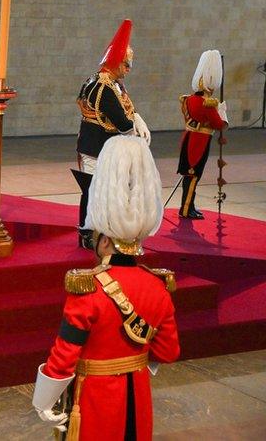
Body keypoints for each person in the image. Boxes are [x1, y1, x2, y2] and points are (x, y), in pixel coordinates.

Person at [32, 135, 179, 441]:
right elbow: (168, 352)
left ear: (105, 239)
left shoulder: (89, 288)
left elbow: (64, 354)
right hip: (137, 396)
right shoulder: (158, 285)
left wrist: (43, 400)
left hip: (95, 400)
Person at [74, 20, 151, 249]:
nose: (128, 70)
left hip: (100, 146)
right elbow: (122, 123)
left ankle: (97, 231)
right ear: (117, 63)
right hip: (95, 147)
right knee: (92, 191)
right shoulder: (105, 87)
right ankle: (87, 234)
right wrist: (134, 124)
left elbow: (127, 107)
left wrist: (136, 116)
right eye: (126, 65)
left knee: (99, 191)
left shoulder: (107, 81)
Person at [177, 50, 229, 220]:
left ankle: (189, 205)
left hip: (189, 138)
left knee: (190, 176)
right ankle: (186, 209)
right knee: (193, 175)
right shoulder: (207, 103)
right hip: (199, 142)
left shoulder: (190, 98)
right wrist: (222, 112)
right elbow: (218, 125)